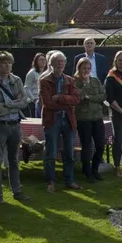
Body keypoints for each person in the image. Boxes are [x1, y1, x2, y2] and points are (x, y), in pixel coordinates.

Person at [0, 52, 30, 204]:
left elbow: (24, 102)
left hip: (15, 125)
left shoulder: (16, 80)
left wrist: (7, 105)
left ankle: (17, 191)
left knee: (14, 160)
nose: (8, 65)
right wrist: (12, 104)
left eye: (9, 62)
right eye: (4, 63)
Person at [40, 51, 82, 193]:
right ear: (51, 64)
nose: (60, 64)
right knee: (51, 153)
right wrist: (67, 102)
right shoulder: (44, 81)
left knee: (69, 153)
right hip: (52, 120)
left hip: (68, 120)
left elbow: (76, 99)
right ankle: (50, 181)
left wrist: (60, 97)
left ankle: (69, 180)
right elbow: (48, 104)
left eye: (62, 62)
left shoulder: (70, 80)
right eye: (57, 62)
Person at [73, 57, 106, 183]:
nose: (86, 71)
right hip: (83, 118)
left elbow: (103, 95)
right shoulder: (74, 81)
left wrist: (89, 97)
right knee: (86, 146)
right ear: (79, 68)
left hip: (97, 116)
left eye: (88, 68)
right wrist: (85, 86)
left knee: (100, 145)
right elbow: (78, 96)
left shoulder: (95, 80)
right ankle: (87, 172)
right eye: (83, 68)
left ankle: (95, 169)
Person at [24, 53, 47, 117]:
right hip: (34, 101)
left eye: (44, 59)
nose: (43, 61)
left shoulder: (47, 73)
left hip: (44, 101)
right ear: (36, 61)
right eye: (41, 60)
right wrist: (34, 99)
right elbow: (26, 88)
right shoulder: (32, 73)